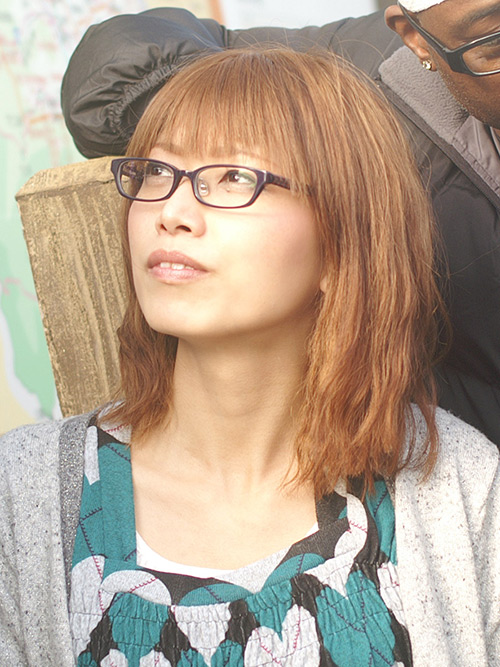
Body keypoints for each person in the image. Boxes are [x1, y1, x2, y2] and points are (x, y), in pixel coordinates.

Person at [1, 47, 499, 666]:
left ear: (343, 240)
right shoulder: (22, 495)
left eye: (235, 177)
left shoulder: (456, 486)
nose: (172, 214)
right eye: (155, 172)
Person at [60, 0, 500, 447]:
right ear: (418, 40)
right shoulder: (372, 76)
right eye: (494, 43)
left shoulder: (461, 474)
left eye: (236, 177)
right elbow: (109, 79)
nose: (174, 214)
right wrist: (263, 109)